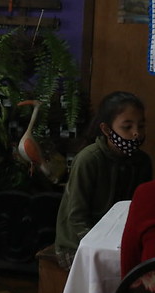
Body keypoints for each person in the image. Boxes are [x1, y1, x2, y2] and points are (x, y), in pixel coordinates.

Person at [54, 91, 151, 269]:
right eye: (127, 127)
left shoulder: (142, 162)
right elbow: (77, 218)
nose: (136, 133)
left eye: (141, 126)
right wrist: (100, 245)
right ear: (106, 130)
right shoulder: (88, 160)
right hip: (78, 244)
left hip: (118, 241)